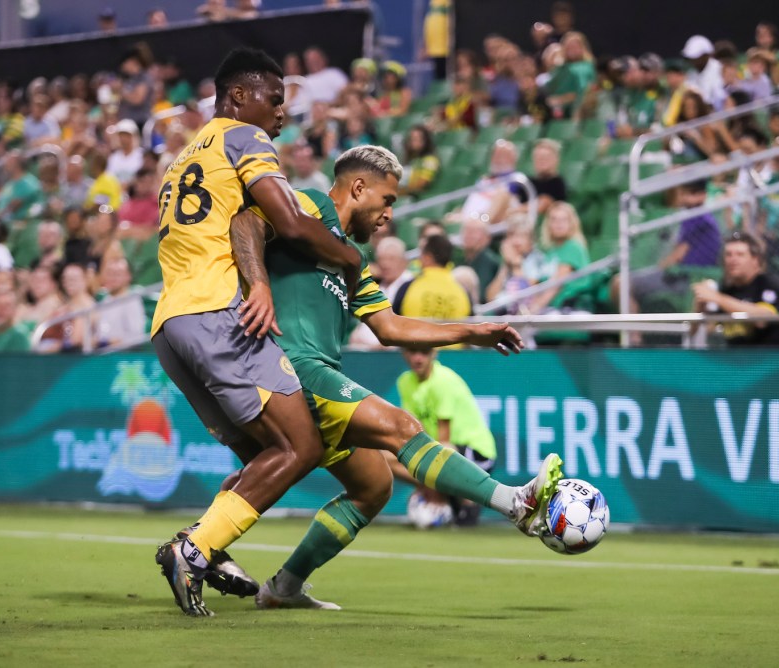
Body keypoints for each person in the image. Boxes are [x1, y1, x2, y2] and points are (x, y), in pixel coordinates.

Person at [227, 144, 561, 609]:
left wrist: (473, 330)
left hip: (314, 374)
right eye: (387, 200)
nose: (388, 214)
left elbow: (390, 327)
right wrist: (257, 283)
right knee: (403, 428)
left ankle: (281, 586)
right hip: (289, 366)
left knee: (373, 486)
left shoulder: (352, 257)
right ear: (358, 187)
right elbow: (245, 221)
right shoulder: (305, 205)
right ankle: (515, 504)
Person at [150, 47, 363, 618]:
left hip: (171, 323)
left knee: (262, 454)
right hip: (219, 313)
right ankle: (196, 548)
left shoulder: (182, 159)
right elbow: (289, 219)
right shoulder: (244, 138)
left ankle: (208, 547)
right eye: (274, 99)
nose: (281, 114)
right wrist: (349, 257)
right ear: (237, 97)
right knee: (302, 446)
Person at [394, 346, 497, 526]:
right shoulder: (404, 382)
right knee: (387, 454)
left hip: (475, 454)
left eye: (424, 352)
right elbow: (415, 432)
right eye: (412, 351)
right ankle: (442, 498)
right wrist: (424, 484)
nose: (418, 358)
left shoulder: (444, 381)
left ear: (434, 353)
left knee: (443, 450)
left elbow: (443, 438)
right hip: (439, 453)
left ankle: (463, 501)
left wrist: (430, 484)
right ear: (404, 353)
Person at [610, 180, 721, 314]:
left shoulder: (698, 217)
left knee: (620, 283)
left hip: (687, 279)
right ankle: (634, 332)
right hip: (681, 276)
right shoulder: (692, 216)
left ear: (703, 195)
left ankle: (633, 334)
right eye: (683, 193)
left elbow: (677, 256)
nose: (683, 198)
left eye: (690, 194)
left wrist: (658, 269)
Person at [691, 231, 779, 346]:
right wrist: (700, 307)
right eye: (728, 255)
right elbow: (702, 332)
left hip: (773, 360)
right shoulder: (726, 290)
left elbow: (763, 319)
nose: (732, 260)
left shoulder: (770, 284)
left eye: (740, 254)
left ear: (755, 260)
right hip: (736, 361)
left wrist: (717, 298)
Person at [394, 234, 473, 322]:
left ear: (428, 257)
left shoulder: (407, 288)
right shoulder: (463, 292)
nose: (419, 258)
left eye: (421, 253)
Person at [95, 257, 146, 349]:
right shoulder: (103, 301)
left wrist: (110, 342)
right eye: (109, 273)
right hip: (99, 357)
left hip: (122, 358)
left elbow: (136, 337)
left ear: (128, 276)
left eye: (117, 274)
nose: (112, 278)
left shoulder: (132, 301)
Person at [457, 218, 500, 303]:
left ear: (487, 238)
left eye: (474, 231)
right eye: (466, 230)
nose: (469, 234)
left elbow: (481, 296)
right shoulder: (460, 259)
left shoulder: (489, 261)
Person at [682, 35, 725, 110]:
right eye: (691, 58)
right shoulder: (691, 74)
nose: (693, 61)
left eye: (696, 58)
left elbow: (720, 100)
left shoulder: (720, 69)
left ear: (706, 55)